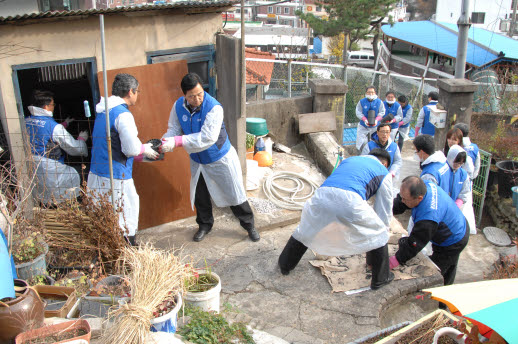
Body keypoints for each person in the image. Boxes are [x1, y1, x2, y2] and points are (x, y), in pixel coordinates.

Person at [160, 73, 259, 243]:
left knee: (234, 194)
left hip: (219, 158)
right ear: (184, 95)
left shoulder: (214, 108)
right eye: (192, 96)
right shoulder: (178, 106)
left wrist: (177, 141)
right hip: (198, 161)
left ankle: (249, 225)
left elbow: (207, 138)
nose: (197, 99)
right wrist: (165, 141)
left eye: (200, 94)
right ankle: (205, 225)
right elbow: (174, 129)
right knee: (201, 196)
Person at [278, 149, 394, 290]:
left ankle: (285, 265)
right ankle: (381, 278)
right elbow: (384, 210)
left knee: (306, 230)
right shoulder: (383, 171)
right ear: (385, 163)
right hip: (350, 200)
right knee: (379, 233)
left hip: (322, 195)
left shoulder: (350, 160)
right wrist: (383, 229)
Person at [88, 73, 158, 246]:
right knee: (125, 217)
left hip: (97, 173)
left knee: (105, 217)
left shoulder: (103, 111)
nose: (137, 95)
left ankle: (110, 251)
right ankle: (128, 252)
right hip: (116, 176)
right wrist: (145, 149)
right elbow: (130, 149)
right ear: (130, 92)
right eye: (137, 91)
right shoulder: (123, 115)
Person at [389, 176, 469, 285]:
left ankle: (441, 296)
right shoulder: (424, 185)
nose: (402, 200)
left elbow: (415, 243)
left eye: (405, 199)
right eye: (402, 196)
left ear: (419, 198)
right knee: (450, 263)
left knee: (438, 271)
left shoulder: (428, 217)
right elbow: (401, 202)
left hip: (454, 239)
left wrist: (396, 259)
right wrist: (386, 210)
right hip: (454, 220)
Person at [25, 90, 89, 204]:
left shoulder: (25, 121)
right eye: (53, 105)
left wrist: (65, 123)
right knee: (84, 173)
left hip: (32, 171)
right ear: (46, 107)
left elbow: (41, 131)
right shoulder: (54, 127)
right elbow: (75, 149)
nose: (53, 107)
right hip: (52, 172)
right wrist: (81, 139)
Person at [447, 145, 477, 234]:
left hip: (456, 208)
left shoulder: (463, 175)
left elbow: (465, 192)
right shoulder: (443, 171)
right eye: (456, 162)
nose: (458, 165)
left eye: (461, 163)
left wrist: (458, 204)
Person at [355, 86, 385, 152]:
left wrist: (377, 120)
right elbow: (358, 112)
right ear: (366, 93)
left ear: (375, 93)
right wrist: (364, 119)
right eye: (369, 92)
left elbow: (382, 112)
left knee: (375, 142)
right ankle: (360, 155)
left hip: (375, 126)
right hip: (363, 125)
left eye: (372, 92)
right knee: (361, 142)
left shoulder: (379, 102)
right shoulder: (361, 102)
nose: (370, 94)